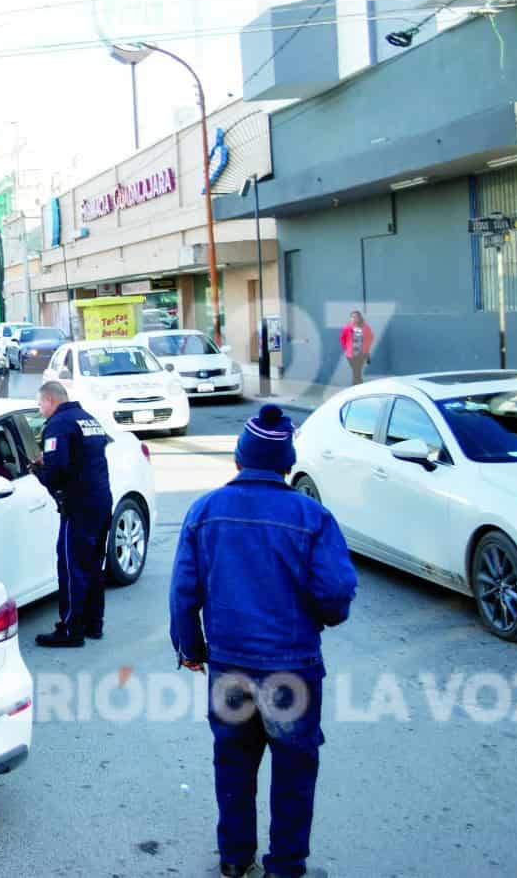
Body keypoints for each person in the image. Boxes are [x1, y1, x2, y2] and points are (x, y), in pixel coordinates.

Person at [170, 405, 357, 878]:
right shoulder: (312, 516)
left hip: (229, 667)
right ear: (286, 465)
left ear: (239, 460)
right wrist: (326, 618)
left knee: (233, 763)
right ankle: (285, 866)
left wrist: (191, 648)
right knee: (294, 772)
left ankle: (234, 859)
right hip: (292, 668)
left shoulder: (204, 511)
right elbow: (335, 592)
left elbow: (183, 592)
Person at [30, 381, 113, 648]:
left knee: (71, 567)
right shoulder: (87, 419)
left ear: (51, 400)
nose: (40, 408)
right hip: (101, 502)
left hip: (78, 506)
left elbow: (57, 471)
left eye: (40, 403)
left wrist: (37, 470)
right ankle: (93, 624)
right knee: (93, 566)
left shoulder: (58, 424)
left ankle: (70, 630)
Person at [339, 311, 373, 385]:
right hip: (351, 354)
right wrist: (346, 348)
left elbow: (370, 337)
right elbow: (342, 338)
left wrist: (366, 347)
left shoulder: (365, 327)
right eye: (352, 317)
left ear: (359, 318)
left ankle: (355, 387)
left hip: (362, 353)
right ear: (350, 318)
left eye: (356, 317)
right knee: (356, 371)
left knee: (357, 371)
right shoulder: (347, 327)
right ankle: (358, 387)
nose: (354, 318)